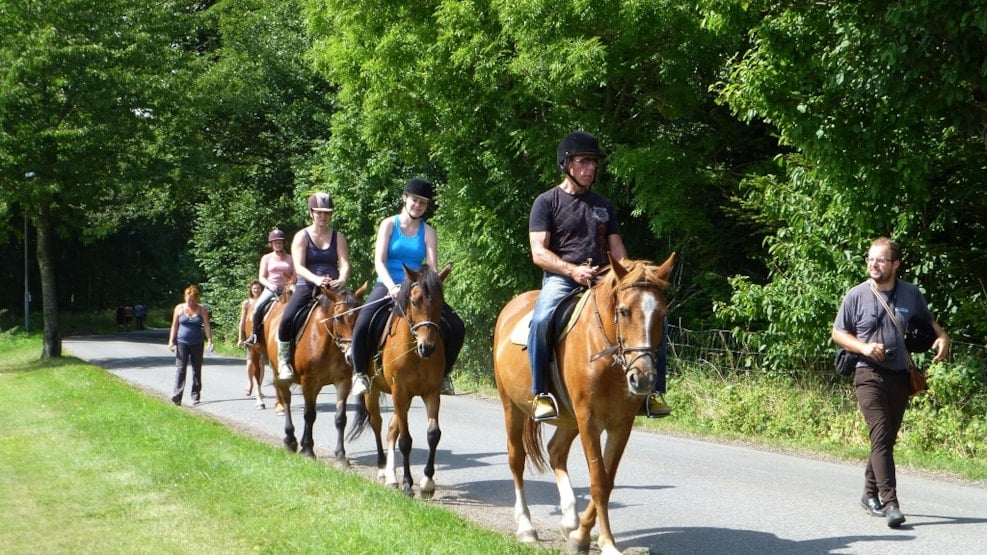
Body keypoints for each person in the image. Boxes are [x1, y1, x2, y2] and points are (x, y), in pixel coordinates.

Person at [527, 131, 671, 421]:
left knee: (656, 318)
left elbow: (618, 251)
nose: (591, 167)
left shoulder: (604, 205)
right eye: (584, 161)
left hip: (606, 279)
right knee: (542, 318)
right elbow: (538, 253)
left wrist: (632, 275)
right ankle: (540, 393)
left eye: (594, 162)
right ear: (566, 164)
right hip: (563, 278)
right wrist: (572, 270)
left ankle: (653, 392)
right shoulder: (546, 202)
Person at [832, 236, 949, 529]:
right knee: (881, 433)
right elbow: (838, 333)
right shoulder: (856, 295)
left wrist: (942, 338)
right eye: (870, 258)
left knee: (885, 439)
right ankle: (890, 502)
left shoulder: (911, 293)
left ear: (895, 264)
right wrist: (863, 348)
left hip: (899, 375)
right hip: (867, 372)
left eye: (880, 259)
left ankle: (868, 493)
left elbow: (929, 323)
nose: (873, 264)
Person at [350, 178, 466, 396]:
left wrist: (431, 285)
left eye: (423, 202)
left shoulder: (428, 231)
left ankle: (443, 375)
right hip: (389, 283)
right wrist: (392, 287)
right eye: (415, 200)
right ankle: (359, 374)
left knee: (457, 326)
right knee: (364, 321)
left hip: (418, 287)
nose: (418, 205)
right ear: (405, 198)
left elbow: (432, 266)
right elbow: (379, 261)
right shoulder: (389, 224)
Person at [275, 193, 351, 384]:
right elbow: (299, 267)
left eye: (327, 213)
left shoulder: (338, 237)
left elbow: (345, 263)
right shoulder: (302, 236)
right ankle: (284, 360)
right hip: (307, 284)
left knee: (354, 316)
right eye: (319, 213)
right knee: (287, 318)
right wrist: (316, 279)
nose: (323, 216)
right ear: (311, 213)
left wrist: (342, 278)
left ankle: (358, 362)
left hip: (333, 288)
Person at [243, 229, 295, 346]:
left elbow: (295, 275)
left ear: (283, 243)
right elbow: (261, 277)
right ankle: (254, 334)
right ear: (271, 244)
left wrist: (291, 285)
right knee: (257, 308)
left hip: (288, 289)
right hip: (271, 288)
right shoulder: (266, 258)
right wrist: (270, 285)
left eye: (280, 242)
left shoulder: (290, 258)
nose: (278, 245)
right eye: (275, 243)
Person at [167, 284, 214, 406]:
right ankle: (177, 395)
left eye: (193, 299)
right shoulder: (179, 308)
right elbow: (175, 325)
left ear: (197, 299)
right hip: (182, 342)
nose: (191, 301)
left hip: (197, 343)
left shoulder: (201, 309)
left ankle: (195, 394)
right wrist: (171, 341)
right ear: (185, 297)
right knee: (180, 368)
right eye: (189, 299)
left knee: (196, 369)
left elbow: (207, 325)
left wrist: (210, 340)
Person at [237, 280, 264, 394]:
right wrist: (240, 337)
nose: (256, 291)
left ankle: (259, 386)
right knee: (249, 363)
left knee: (261, 363)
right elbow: (242, 320)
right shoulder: (247, 303)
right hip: (250, 336)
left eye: (258, 288)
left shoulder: (264, 301)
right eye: (254, 289)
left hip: (262, 336)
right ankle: (250, 382)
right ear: (251, 290)